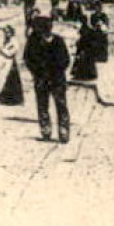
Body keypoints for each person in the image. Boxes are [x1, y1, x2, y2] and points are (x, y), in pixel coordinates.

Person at [23, 14, 71, 143]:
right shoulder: (33, 42)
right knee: (43, 105)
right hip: (41, 78)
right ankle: (46, 129)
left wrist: (56, 70)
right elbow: (28, 59)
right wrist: (36, 72)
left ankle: (63, 130)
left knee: (60, 104)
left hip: (56, 78)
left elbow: (66, 60)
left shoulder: (58, 41)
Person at [0, 24, 24, 106]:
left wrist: (2, 50)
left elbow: (12, 52)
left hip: (10, 62)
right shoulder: (6, 40)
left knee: (8, 79)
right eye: (5, 32)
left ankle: (10, 99)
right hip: (4, 61)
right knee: (0, 77)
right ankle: (1, 97)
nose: (6, 34)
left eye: (8, 32)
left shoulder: (14, 41)